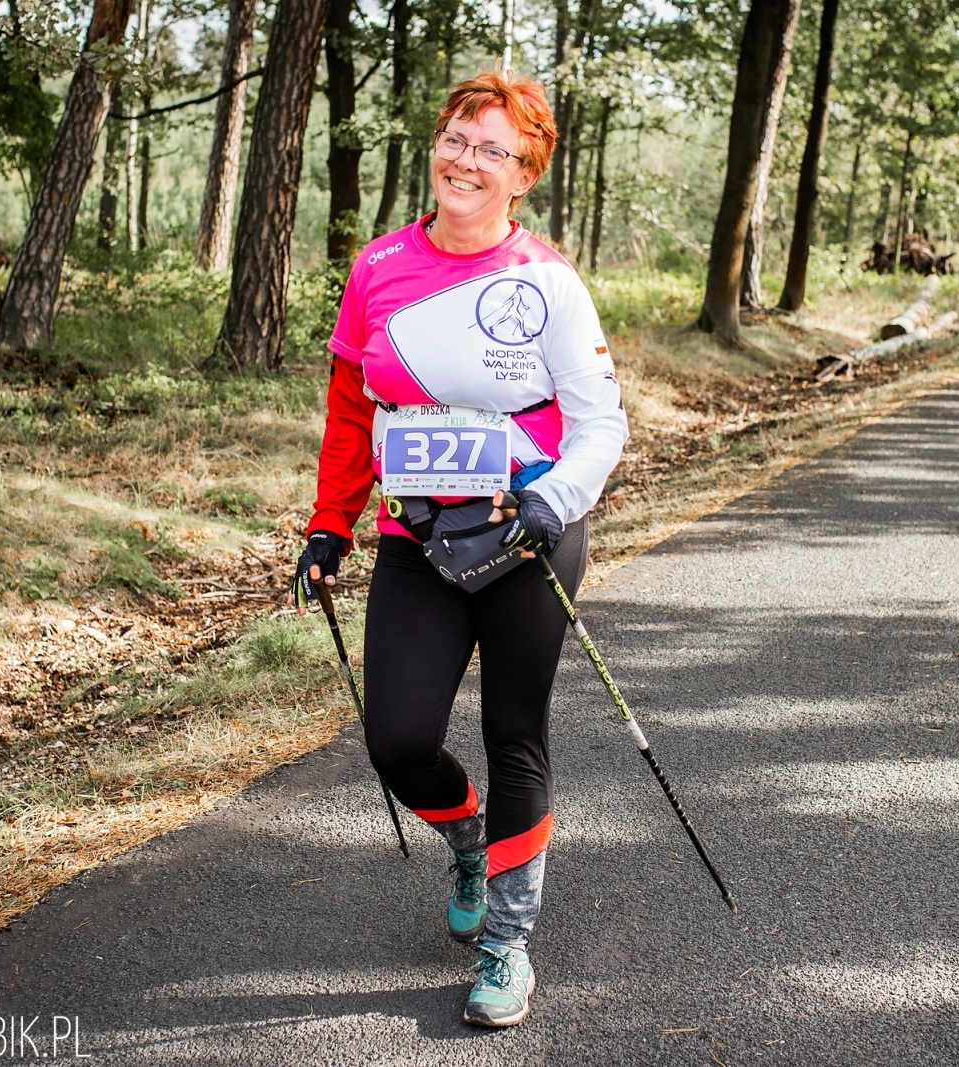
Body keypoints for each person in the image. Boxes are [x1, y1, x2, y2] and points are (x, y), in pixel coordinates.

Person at [290, 71, 628, 1029]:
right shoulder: (378, 268)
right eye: (455, 139)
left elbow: (602, 423)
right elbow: (351, 410)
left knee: (516, 733)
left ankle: (507, 944)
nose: (466, 161)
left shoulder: (547, 283)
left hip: (526, 535)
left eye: (493, 150)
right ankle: (470, 839)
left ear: (524, 176)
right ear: (435, 146)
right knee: (397, 739)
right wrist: (330, 521)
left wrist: (554, 498)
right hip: (416, 537)